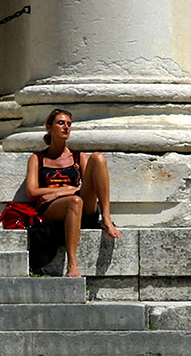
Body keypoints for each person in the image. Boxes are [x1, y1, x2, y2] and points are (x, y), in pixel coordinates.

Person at [25, 108, 121, 277]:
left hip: (81, 204)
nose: (66, 127)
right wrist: (64, 191)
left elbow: (87, 187)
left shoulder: (78, 157)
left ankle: (106, 217)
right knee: (74, 202)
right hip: (50, 208)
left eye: (69, 124)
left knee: (98, 158)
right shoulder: (37, 158)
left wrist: (65, 191)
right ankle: (72, 265)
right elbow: (32, 192)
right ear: (49, 127)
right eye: (61, 123)